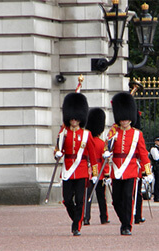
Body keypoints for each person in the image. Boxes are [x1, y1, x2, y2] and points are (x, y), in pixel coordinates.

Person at [105, 92, 153, 235]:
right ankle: (124, 220)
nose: (124, 121)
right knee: (115, 200)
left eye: (127, 119)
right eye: (122, 119)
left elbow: (143, 154)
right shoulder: (113, 132)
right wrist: (106, 151)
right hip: (116, 169)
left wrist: (148, 171)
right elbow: (106, 148)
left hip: (130, 169)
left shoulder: (137, 134)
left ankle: (126, 225)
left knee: (127, 197)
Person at [54, 92, 99, 236]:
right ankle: (77, 219)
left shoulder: (86, 134)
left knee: (80, 200)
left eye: (76, 118)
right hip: (67, 169)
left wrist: (95, 173)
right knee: (67, 200)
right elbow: (58, 149)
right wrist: (57, 154)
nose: (74, 120)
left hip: (81, 170)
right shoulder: (64, 133)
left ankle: (76, 226)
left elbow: (92, 155)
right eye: (72, 118)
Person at [83, 108, 110, 225]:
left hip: (88, 172)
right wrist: (107, 173)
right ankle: (103, 217)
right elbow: (105, 161)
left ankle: (86, 217)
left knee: (87, 197)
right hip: (99, 173)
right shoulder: (102, 143)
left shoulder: (85, 142)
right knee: (101, 197)